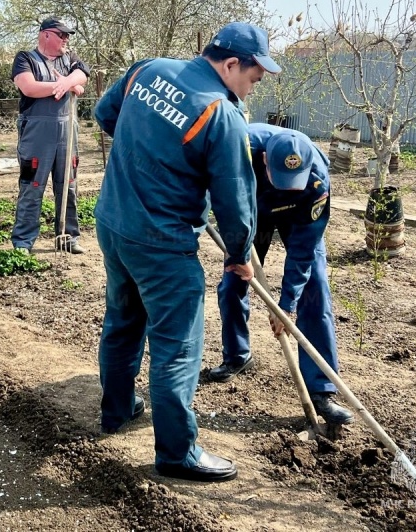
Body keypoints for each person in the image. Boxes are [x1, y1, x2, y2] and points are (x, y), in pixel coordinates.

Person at [93, 22, 281, 482]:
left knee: (123, 319)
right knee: (178, 346)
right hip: (160, 242)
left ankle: (116, 411)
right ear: (232, 64)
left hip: (113, 222)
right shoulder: (221, 113)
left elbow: (103, 113)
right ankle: (178, 453)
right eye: (252, 78)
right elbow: (235, 200)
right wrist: (239, 253)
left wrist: (151, 147)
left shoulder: (148, 70)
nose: (250, 91)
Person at [211, 123, 354, 426]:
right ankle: (237, 356)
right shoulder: (239, 151)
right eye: (282, 179)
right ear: (264, 160)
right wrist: (239, 254)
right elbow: (224, 202)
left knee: (315, 289)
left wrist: (286, 305)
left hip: (298, 216)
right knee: (232, 283)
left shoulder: (316, 180)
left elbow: (304, 249)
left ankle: (321, 390)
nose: (288, 183)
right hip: (252, 213)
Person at [10, 16, 90, 254]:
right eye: (62, 34)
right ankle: (23, 242)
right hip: (36, 134)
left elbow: (82, 76)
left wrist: (66, 82)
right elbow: (29, 87)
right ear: (46, 34)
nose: (66, 39)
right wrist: (65, 87)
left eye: (68, 35)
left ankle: (68, 238)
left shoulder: (69, 59)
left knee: (68, 185)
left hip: (68, 132)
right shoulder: (25, 58)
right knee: (32, 186)